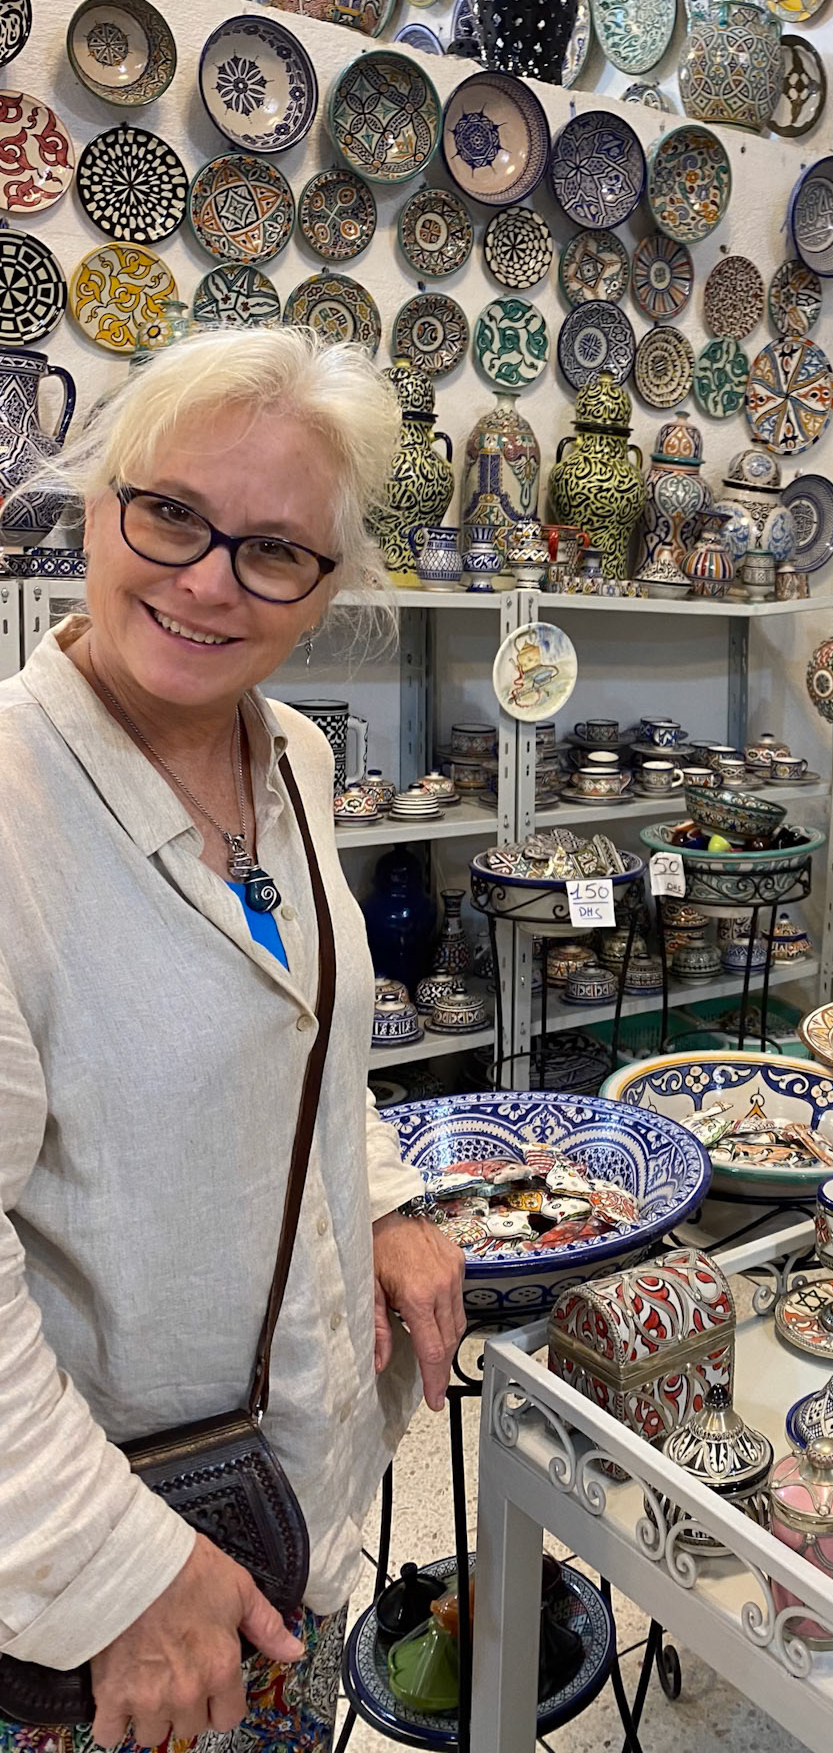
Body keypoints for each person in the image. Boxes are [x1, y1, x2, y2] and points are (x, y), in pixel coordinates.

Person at [0, 327, 466, 1753]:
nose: (210, 581)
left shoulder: (293, 761)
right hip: (108, 1585)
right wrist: (114, 1572)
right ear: (96, 507)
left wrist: (378, 1202)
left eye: (274, 550)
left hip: (288, 1500)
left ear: (324, 588)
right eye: (171, 513)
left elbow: (299, 1032)